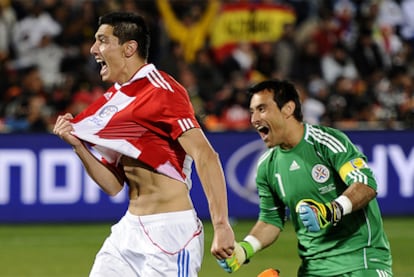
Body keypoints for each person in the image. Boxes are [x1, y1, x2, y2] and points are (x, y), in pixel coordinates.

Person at [53, 11, 234, 276]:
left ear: (129, 48)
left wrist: (221, 225)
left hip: (171, 234)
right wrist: (78, 146)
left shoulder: (162, 90)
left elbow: (206, 155)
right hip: (128, 230)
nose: (93, 49)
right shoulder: (114, 101)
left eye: (102, 40)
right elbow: (113, 185)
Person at [217, 79, 393, 276]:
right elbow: (270, 220)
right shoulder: (267, 166)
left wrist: (331, 210)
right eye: (252, 112)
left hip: (361, 263)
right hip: (313, 270)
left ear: (288, 109)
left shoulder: (326, 142)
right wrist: (244, 249)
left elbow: (365, 184)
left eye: (262, 109)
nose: (254, 119)